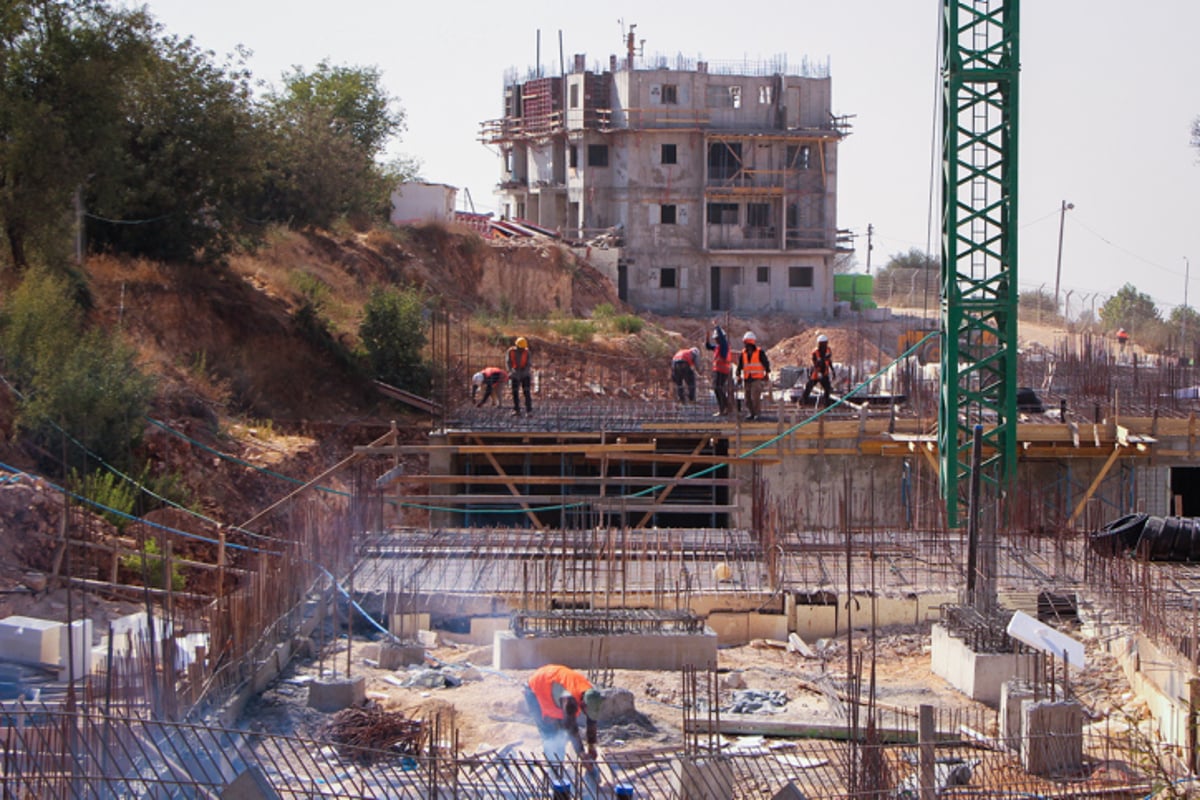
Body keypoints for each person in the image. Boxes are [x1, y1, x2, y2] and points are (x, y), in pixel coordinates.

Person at [523, 664, 603, 777]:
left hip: (554, 690)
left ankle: (557, 765)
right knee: (550, 734)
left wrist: (591, 746)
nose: (586, 714)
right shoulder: (569, 699)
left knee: (560, 732)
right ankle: (553, 771)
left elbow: (591, 721)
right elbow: (570, 727)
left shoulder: (591, 695)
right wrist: (581, 753)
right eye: (586, 711)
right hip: (535, 690)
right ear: (583, 703)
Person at [736, 331, 771, 421]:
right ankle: (752, 413)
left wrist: (767, 374)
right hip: (747, 379)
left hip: (757, 379)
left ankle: (757, 414)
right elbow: (739, 365)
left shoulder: (759, 352)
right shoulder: (743, 353)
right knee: (747, 399)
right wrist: (738, 375)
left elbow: (766, 363)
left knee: (755, 397)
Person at [705, 322, 733, 417]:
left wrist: (717, 327)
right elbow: (708, 347)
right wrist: (707, 337)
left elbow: (721, 338)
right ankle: (724, 408)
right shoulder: (718, 348)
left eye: (717, 339)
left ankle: (724, 407)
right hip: (718, 370)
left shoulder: (724, 346)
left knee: (718, 388)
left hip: (722, 371)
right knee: (717, 389)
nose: (716, 340)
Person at [801, 333, 836, 408]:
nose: (824, 345)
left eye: (825, 343)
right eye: (822, 344)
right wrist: (819, 372)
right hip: (816, 373)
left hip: (825, 373)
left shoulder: (828, 350)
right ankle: (803, 402)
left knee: (827, 389)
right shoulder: (815, 352)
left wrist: (833, 370)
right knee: (809, 387)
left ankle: (827, 405)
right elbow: (814, 363)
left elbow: (829, 361)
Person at [506, 336, 533, 416]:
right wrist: (512, 372)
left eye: (523, 348)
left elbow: (528, 364)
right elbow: (508, 362)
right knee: (515, 392)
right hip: (515, 373)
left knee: (527, 392)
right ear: (517, 346)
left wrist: (524, 373)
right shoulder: (511, 351)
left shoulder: (527, 352)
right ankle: (516, 410)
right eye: (520, 348)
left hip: (525, 374)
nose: (522, 350)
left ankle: (529, 411)